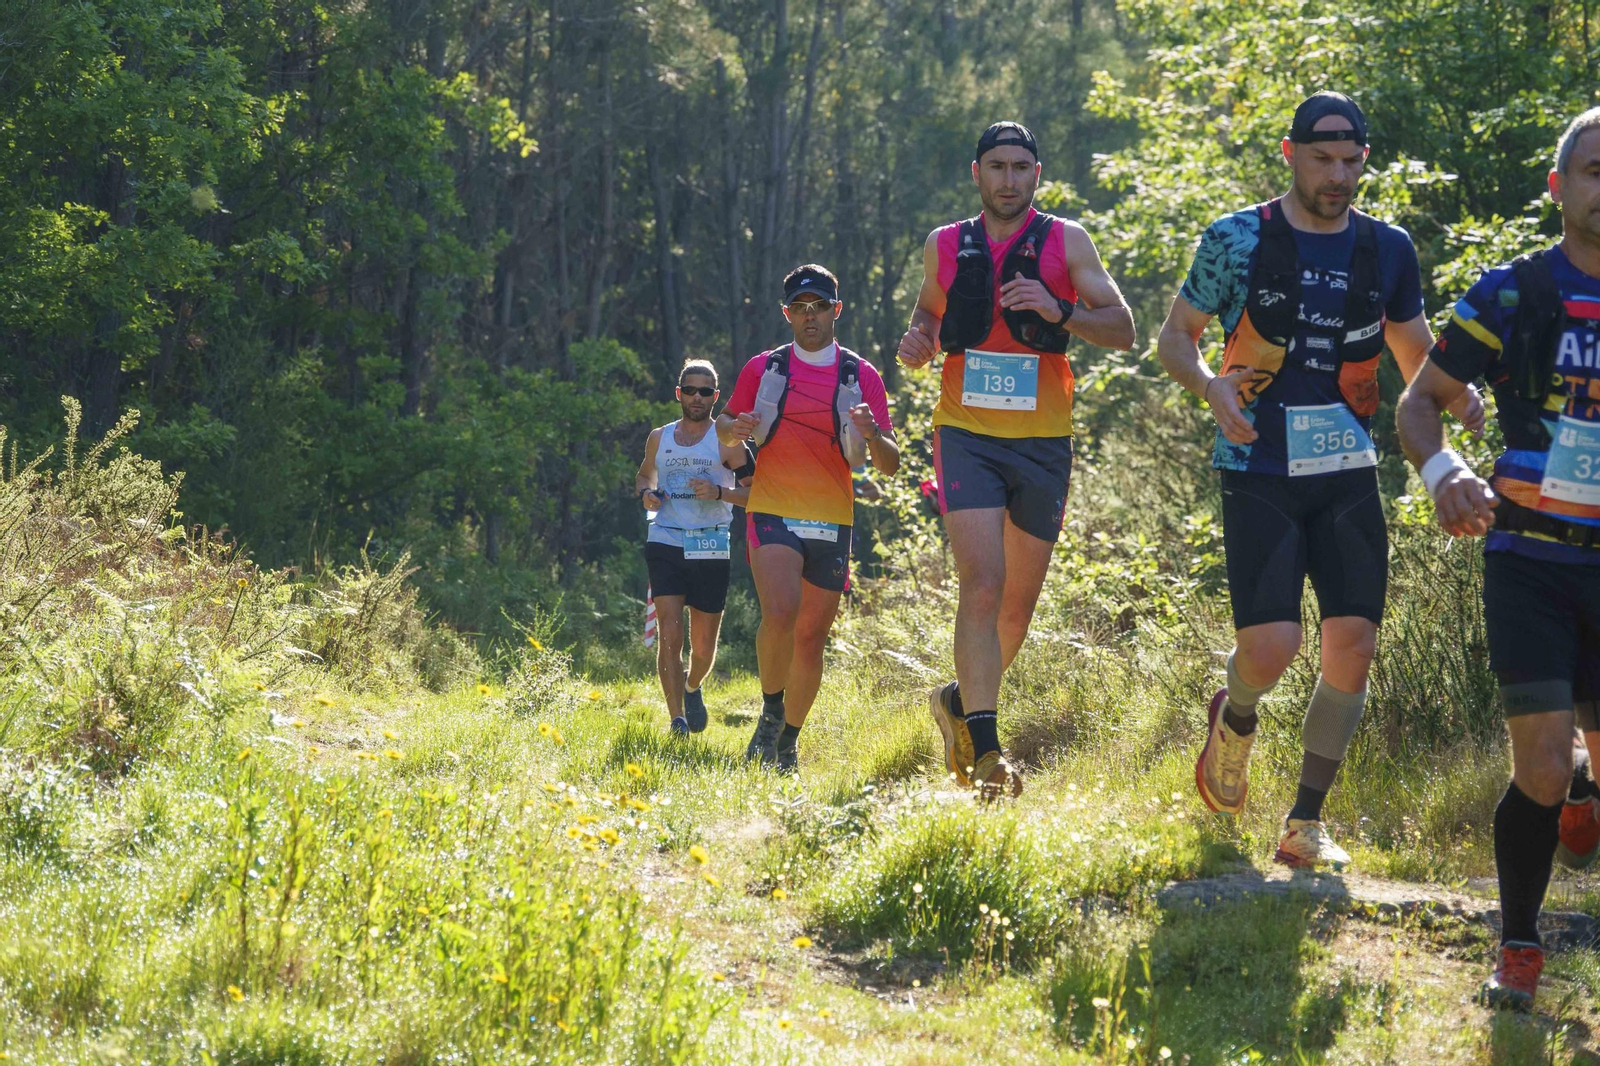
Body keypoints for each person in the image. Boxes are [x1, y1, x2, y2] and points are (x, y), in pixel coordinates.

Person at [1154, 92, 1485, 868]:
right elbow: (1176, 338)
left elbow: (1413, 359)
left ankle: (1305, 821)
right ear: (1289, 153)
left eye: (1351, 161)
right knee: (1271, 649)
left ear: (1364, 158)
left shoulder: (1387, 248)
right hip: (1258, 467)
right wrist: (1210, 386)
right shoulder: (1236, 239)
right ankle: (1233, 715)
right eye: (1322, 160)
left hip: (1346, 472)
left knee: (1354, 645)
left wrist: (1452, 391)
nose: (1337, 176)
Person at [1396, 107, 1600, 1010]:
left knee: (1582, 777)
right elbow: (1420, 401)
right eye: (1593, 171)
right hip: (1532, 561)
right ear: (1559, 188)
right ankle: (1518, 948)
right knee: (1543, 768)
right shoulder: (1514, 292)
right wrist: (1445, 474)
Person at [897, 121, 1135, 798]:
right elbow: (927, 314)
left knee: (1016, 610)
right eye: (997, 166)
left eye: (1020, 167)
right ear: (977, 172)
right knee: (981, 581)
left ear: (1038, 174)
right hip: (965, 434)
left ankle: (957, 701)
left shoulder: (1068, 242)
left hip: (1041, 442)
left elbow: (1122, 329)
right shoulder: (945, 244)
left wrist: (1059, 309)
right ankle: (989, 754)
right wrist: (918, 340)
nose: (1008, 179)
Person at [719, 264, 899, 774]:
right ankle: (771, 715)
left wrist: (869, 432)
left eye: (820, 306)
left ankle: (789, 743)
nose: (810, 316)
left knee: (810, 639)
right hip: (772, 508)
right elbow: (725, 430)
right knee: (780, 613)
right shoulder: (764, 368)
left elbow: (889, 461)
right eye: (800, 308)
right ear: (787, 314)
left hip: (832, 518)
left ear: (836, 311)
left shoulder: (862, 376)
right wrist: (739, 428)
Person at [636, 359, 751, 736]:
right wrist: (646, 494)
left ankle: (692, 685)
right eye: (690, 390)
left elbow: (758, 494)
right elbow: (644, 474)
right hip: (665, 538)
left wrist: (720, 492)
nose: (697, 397)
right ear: (679, 394)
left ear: (716, 397)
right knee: (670, 634)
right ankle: (677, 720)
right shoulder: (660, 437)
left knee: (702, 648)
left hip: (710, 543)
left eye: (705, 391)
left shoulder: (728, 441)